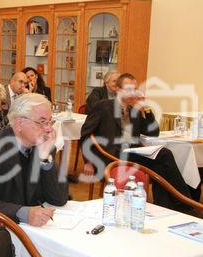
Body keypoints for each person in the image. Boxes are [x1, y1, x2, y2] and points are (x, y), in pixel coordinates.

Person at [80, 73, 196, 214]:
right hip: (111, 156)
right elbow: (86, 133)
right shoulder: (103, 106)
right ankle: (185, 205)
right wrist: (88, 161)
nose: (132, 94)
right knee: (164, 157)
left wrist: (145, 109)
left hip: (132, 153)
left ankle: (166, 207)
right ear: (117, 89)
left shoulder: (133, 110)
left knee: (162, 160)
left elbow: (153, 133)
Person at [0, 93, 68, 226]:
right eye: (42, 122)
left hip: (35, 229)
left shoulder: (43, 147)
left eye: (50, 121)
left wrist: (45, 159)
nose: (49, 128)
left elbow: (59, 199)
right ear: (19, 124)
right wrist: (23, 213)